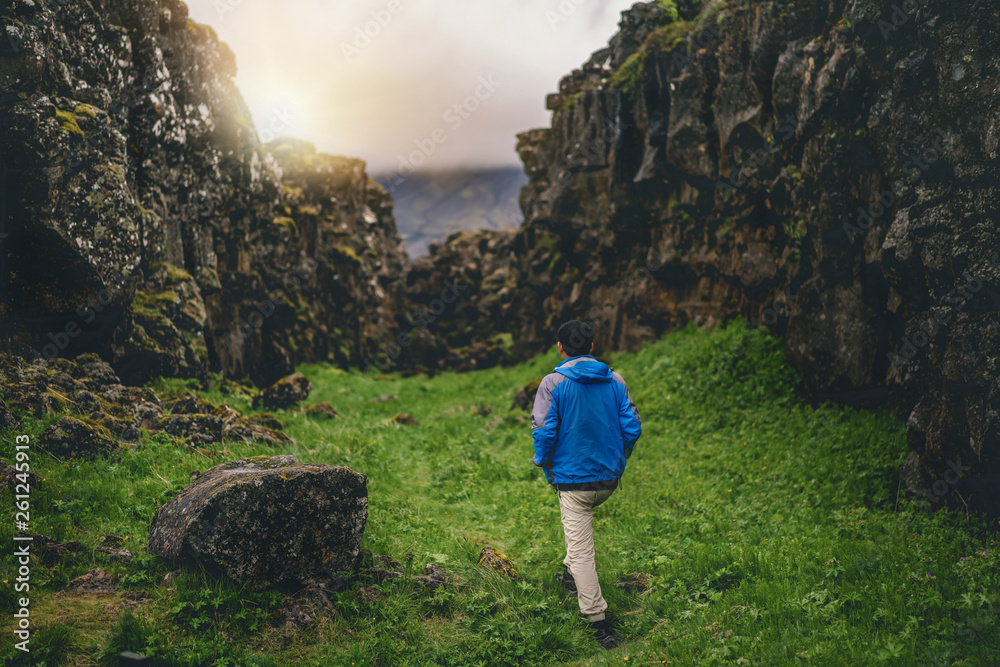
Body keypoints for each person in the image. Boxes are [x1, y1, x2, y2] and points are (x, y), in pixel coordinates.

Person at [531, 320, 642, 649]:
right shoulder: (616, 380)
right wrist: (619, 459)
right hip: (608, 480)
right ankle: (568, 575)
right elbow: (632, 427)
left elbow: (543, 430)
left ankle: (598, 622)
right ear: (592, 347)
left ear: (560, 348)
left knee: (582, 552)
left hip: (573, 484)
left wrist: (544, 461)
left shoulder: (553, 383)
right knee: (576, 537)